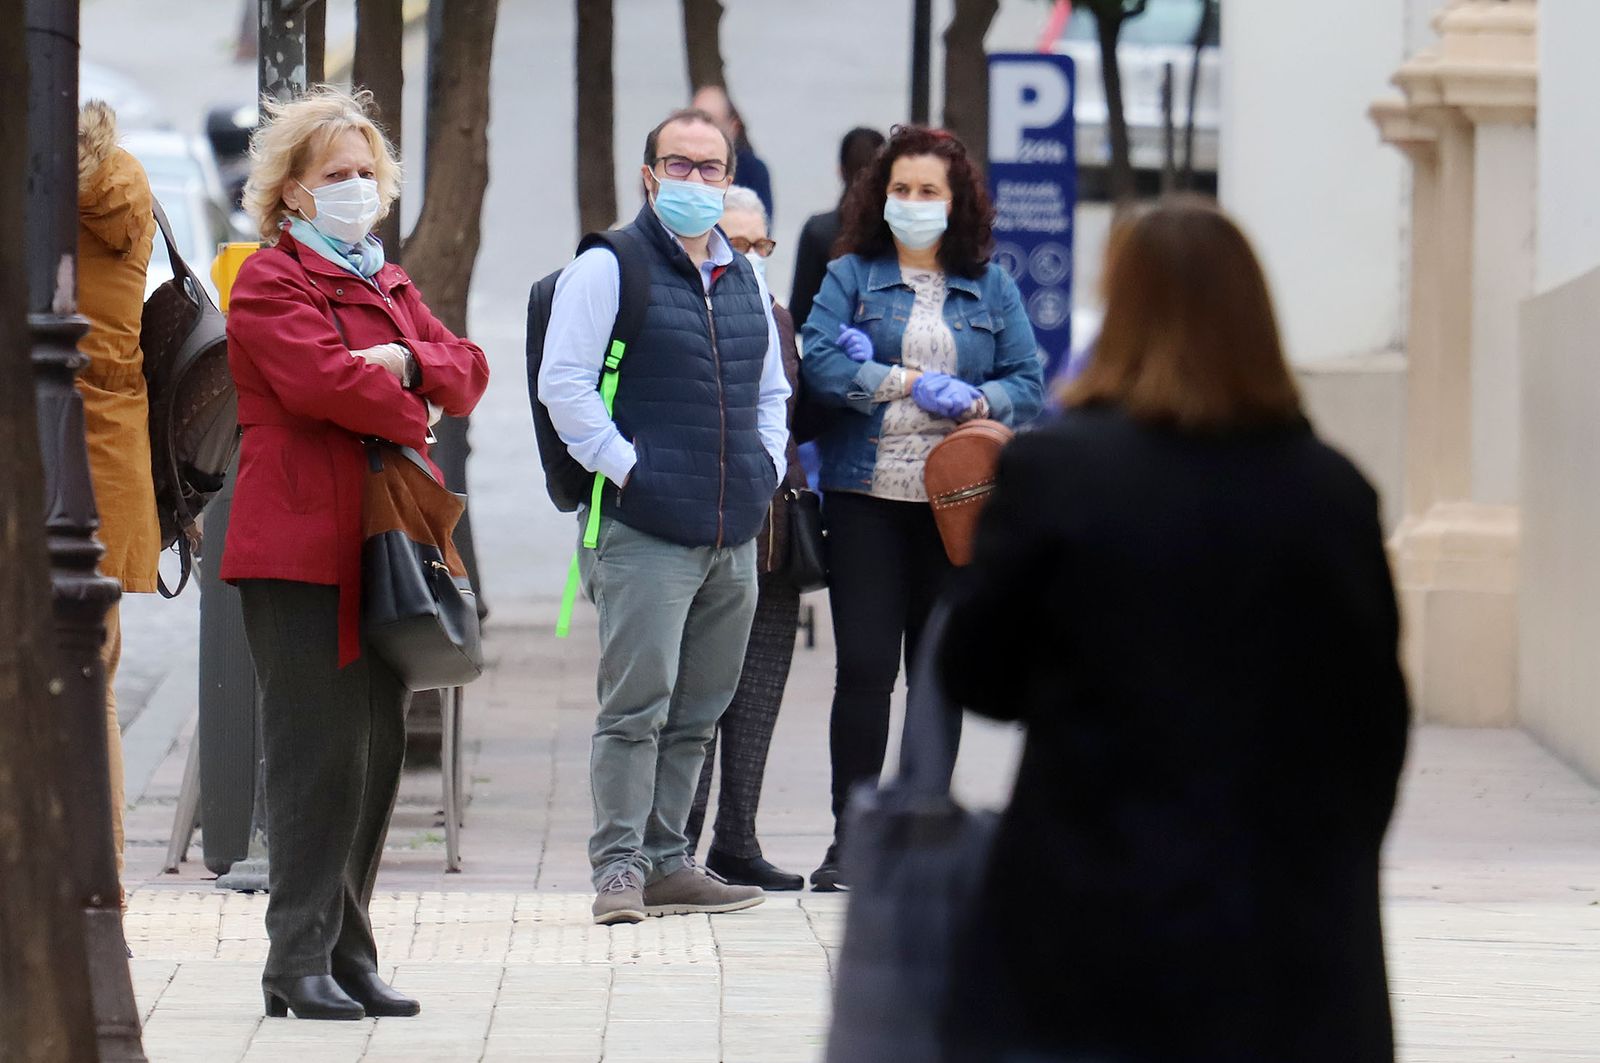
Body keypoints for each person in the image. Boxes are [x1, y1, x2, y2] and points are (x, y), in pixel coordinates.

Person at [937, 197, 1411, 1062]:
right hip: (1287, 930)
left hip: (1090, 910)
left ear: (1124, 312)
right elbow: (1376, 719)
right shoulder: (1332, 493)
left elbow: (978, 675)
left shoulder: (1058, 473)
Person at [223, 87, 489, 1021]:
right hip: (297, 546)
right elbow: (319, 383)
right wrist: (411, 392)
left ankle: (349, 951)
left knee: (375, 755)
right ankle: (293, 962)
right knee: (316, 755)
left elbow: (468, 366)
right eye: (335, 174)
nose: (356, 187)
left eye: (366, 172)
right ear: (291, 192)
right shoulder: (270, 278)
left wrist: (408, 366)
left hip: (383, 539)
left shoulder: (388, 279)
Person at [539, 109, 791, 925]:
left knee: (700, 708)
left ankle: (667, 861)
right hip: (647, 530)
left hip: (731, 532)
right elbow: (565, 385)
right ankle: (617, 868)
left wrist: (764, 469)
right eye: (677, 165)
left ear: (729, 178)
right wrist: (631, 469)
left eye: (709, 167)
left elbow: (771, 392)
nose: (694, 180)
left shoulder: (746, 276)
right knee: (635, 705)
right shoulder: (612, 267)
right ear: (649, 175)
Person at [800, 124, 1045, 891]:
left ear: (955, 201)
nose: (913, 203)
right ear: (880, 196)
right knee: (866, 670)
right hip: (867, 495)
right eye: (900, 189)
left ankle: (922, 828)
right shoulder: (852, 275)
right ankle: (853, 837)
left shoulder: (992, 286)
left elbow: (1029, 382)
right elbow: (819, 358)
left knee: (936, 673)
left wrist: (979, 396)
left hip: (958, 503)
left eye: (928, 191)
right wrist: (907, 383)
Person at [682, 186, 808, 892]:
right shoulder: (687, 311)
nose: (752, 256)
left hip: (773, 534)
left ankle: (739, 839)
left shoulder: (779, 317)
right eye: (739, 242)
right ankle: (679, 843)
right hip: (701, 531)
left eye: (762, 245)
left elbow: (794, 417)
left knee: (757, 696)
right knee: (699, 696)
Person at [76, 99, 160, 896]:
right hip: (111, 464)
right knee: (92, 675)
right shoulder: (123, 184)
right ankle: (104, 881)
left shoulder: (34, 194)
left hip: (48, 450)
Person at [790, 126, 885, 330]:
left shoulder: (817, 230)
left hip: (825, 340)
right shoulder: (893, 232)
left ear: (839, 170)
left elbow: (799, 313)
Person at [692, 85, 774, 221]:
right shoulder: (672, 167)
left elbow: (761, 227)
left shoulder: (752, 171)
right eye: (694, 121)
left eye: (711, 122)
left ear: (733, 128)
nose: (701, 131)